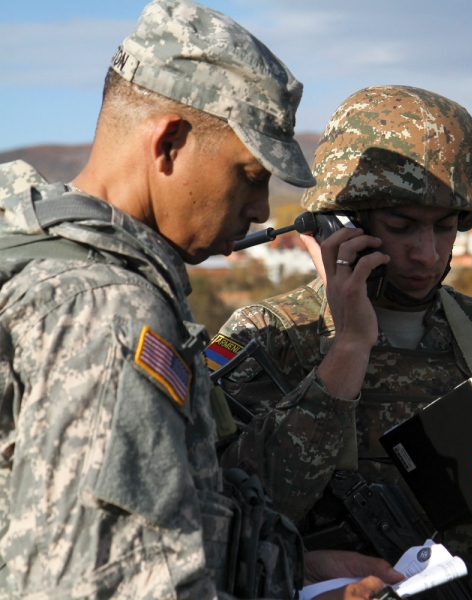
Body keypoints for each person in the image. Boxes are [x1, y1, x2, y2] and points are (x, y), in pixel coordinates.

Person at [0, 1, 399, 598]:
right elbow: (112, 584)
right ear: (170, 143)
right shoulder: (108, 312)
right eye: (250, 174)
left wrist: (293, 572)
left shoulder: (34, 243)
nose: (262, 209)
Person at [211, 85, 472, 599]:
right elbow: (220, 525)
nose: (427, 253)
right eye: (402, 227)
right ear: (341, 223)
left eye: (446, 228)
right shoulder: (267, 339)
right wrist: (348, 350)